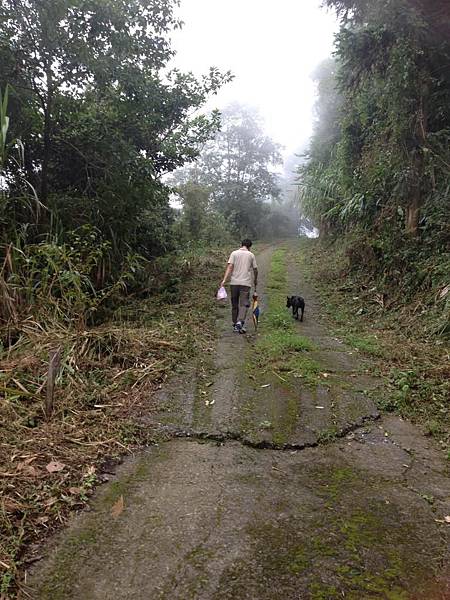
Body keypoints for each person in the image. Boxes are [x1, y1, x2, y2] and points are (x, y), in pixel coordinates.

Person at [220, 239, 258, 334]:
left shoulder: (234, 253)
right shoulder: (251, 255)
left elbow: (229, 267)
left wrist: (224, 280)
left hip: (234, 283)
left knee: (234, 304)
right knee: (244, 304)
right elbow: (255, 269)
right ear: (249, 246)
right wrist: (255, 280)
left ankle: (235, 324)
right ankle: (240, 322)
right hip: (245, 283)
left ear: (241, 245)